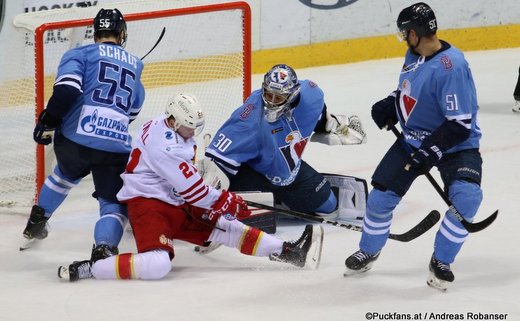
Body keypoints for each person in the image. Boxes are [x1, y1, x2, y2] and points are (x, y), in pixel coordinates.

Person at [57, 93, 324, 282]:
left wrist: (221, 203)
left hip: (172, 198)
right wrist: (225, 201)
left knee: (226, 228)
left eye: (196, 128)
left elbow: (187, 186)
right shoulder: (166, 146)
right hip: (149, 205)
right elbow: (194, 192)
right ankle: (93, 268)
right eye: (188, 128)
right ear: (173, 120)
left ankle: (287, 251)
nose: (192, 133)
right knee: (158, 265)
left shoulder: (167, 124)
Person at [343, 2, 484, 291]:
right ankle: (369, 250)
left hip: (455, 145)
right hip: (412, 141)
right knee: (380, 199)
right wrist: (392, 104)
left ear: (415, 32)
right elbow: (413, 88)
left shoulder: (452, 67)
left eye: (404, 33)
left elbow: (459, 123)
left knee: (468, 198)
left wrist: (431, 150)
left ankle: (441, 261)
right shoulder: (414, 53)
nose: (403, 38)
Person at [21, 8, 145, 261]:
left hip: (74, 140)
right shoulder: (136, 65)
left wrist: (47, 122)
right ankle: (104, 247)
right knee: (113, 202)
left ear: (95, 32)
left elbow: (67, 92)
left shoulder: (78, 54)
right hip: (114, 146)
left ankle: (38, 219)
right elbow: (132, 111)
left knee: (64, 175)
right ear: (122, 34)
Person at [202, 64, 367, 223]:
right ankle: (269, 196)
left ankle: (281, 199)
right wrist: (210, 203)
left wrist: (336, 126)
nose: (271, 102)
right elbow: (217, 162)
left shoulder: (311, 96)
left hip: (289, 173)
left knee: (329, 205)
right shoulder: (248, 121)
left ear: (293, 95)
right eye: (268, 95)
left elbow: (319, 117)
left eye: (278, 97)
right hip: (253, 174)